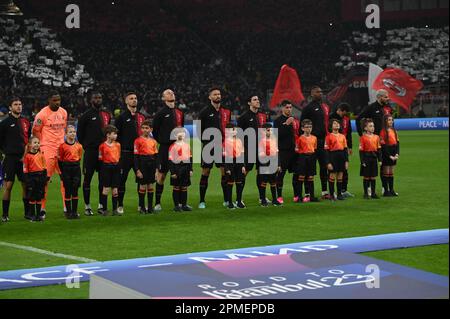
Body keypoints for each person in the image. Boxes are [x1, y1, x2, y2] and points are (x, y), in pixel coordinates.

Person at [32, 91, 68, 218]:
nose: (57, 102)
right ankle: (42, 208)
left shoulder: (63, 112)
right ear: (49, 100)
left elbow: (64, 128)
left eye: (59, 100)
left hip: (62, 149)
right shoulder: (42, 114)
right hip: (48, 149)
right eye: (55, 100)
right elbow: (36, 131)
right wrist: (43, 144)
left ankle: (66, 207)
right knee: (45, 179)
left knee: (66, 178)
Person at [77, 91, 112, 216]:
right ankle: (87, 206)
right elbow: (79, 135)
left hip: (104, 152)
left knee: (103, 180)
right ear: (91, 100)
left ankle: (101, 206)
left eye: (100, 97)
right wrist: (88, 145)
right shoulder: (85, 116)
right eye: (95, 97)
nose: (98, 99)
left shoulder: (106, 114)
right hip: (91, 152)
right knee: (87, 179)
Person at [198, 87, 231, 209]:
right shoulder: (204, 112)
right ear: (210, 97)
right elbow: (198, 130)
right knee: (206, 172)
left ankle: (226, 200)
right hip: (209, 146)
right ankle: (202, 201)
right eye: (215, 94)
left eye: (219, 94)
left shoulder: (226, 112)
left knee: (224, 172)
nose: (218, 96)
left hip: (222, 147)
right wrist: (207, 142)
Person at [152, 89, 184, 212]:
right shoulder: (160, 114)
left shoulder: (180, 113)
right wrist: (163, 141)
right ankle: (157, 203)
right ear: (163, 98)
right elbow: (155, 131)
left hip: (178, 148)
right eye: (168, 93)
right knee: (161, 175)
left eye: (172, 93)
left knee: (179, 175)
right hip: (165, 148)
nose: (171, 94)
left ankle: (179, 204)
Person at [115, 92, 147, 215]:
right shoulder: (122, 118)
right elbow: (116, 136)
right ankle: (120, 205)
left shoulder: (141, 117)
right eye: (131, 99)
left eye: (135, 98)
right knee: (122, 180)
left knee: (142, 180)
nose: (134, 100)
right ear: (126, 101)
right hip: (126, 153)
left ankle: (141, 205)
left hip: (140, 155)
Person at [0, 97, 31, 222]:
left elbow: (28, 140)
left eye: (20, 104)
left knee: (26, 185)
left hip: (23, 158)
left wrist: (25, 155)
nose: (18, 106)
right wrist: (5, 153)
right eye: (15, 104)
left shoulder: (26, 122)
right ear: (10, 107)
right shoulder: (5, 123)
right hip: (10, 159)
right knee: (8, 185)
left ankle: (27, 213)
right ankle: (5, 214)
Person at [300, 86, 331, 199]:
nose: (320, 93)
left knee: (324, 167)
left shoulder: (324, 107)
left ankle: (324, 192)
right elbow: (302, 124)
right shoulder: (308, 108)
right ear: (312, 94)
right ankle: (308, 193)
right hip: (311, 142)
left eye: (321, 91)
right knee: (310, 168)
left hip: (322, 142)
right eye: (318, 92)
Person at [237, 95, 268, 204]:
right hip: (248, 149)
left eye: (258, 100)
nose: (257, 101)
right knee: (244, 172)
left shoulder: (263, 116)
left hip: (261, 149)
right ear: (249, 103)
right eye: (254, 100)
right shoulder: (243, 117)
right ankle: (239, 199)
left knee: (261, 172)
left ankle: (262, 198)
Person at [273, 100, 300, 203]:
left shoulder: (295, 121)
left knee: (296, 173)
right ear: (282, 108)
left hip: (294, 151)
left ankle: (296, 195)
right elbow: (276, 136)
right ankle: (279, 196)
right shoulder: (278, 121)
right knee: (281, 174)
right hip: (283, 151)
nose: (289, 109)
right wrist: (286, 124)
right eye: (287, 107)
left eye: (290, 107)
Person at [58, 125, 83, 219]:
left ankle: (74, 212)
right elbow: (60, 160)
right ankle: (68, 213)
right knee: (68, 191)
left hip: (76, 169)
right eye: (70, 132)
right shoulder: (62, 146)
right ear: (66, 134)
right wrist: (62, 172)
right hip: (66, 169)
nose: (73, 134)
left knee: (75, 190)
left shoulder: (79, 146)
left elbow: (79, 157)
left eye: (74, 132)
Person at [134, 120, 158, 214]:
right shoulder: (137, 140)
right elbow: (135, 156)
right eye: (143, 128)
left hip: (151, 164)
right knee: (142, 185)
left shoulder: (153, 141)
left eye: (147, 128)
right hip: (142, 164)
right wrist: (137, 170)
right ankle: (142, 207)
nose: (144, 130)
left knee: (151, 185)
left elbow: (156, 156)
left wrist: (156, 169)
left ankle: (150, 207)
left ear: (151, 129)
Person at [329, 102, 353, 198]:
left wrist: (350, 147)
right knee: (333, 171)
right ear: (340, 110)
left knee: (344, 170)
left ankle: (343, 190)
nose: (344, 115)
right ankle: (332, 192)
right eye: (344, 112)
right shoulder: (331, 118)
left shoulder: (346, 119)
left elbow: (349, 132)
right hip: (333, 149)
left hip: (343, 146)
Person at [168, 127, 193, 212]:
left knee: (184, 187)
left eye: (182, 133)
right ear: (175, 135)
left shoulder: (187, 145)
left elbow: (190, 159)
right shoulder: (172, 146)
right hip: (176, 168)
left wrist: (190, 170)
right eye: (179, 133)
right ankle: (176, 206)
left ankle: (184, 205)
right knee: (176, 187)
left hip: (185, 168)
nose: (181, 134)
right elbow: (170, 161)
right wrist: (172, 172)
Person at [98, 125, 121, 216]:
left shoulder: (118, 144)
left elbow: (118, 156)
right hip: (106, 167)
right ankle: (104, 209)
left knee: (115, 189)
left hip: (116, 167)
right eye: (114, 134)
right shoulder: (102, 146)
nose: (116, 136)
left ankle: (115, 209)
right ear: (108, 135)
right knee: (106, 188)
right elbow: (100, 158)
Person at [23, 137, 47, 222]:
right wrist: (28, 181)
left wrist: (44, 179)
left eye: (38, 142)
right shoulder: (27, 156)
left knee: (39, 197)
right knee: (32, 197)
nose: (37, 144)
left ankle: (38, 216)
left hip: (40, 177)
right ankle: (32, 215)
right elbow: (25, 170)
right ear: (30, 144)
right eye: (35, 142)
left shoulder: (41, 155)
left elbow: (44, 168)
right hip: (32, 178)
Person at [294, 120, 319, 202]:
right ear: (302, 128)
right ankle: (299, 197)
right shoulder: (300, 138)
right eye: (307, 127)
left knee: (311, 177)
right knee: (301, 177)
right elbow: (297, 149)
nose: (309, 129)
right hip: (303, 157)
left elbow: (315, 148)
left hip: (312, 157)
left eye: (310, 127)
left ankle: (312, 196)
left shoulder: (314, 138)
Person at [257, 123, 281, 207]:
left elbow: (277, 153)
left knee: (273, 182)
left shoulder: (274, 140)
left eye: (271, 130)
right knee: (264, 182)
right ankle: (263, 200)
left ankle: (274, 200)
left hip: (273, 163)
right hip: (265, 164)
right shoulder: (261, 142)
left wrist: (278, 164)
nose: (270, 132)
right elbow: (260, 154)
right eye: (268, 130)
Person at [223, 123, 246, 209]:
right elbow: (224, 156)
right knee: (230, 183)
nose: (235, 131)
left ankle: (239, 201)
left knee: (239, 183)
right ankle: (229, 202)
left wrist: (243, 166)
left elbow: (242, 154)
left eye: (235, 130)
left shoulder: (239, 141)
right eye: (234, 130)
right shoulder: (225, 142)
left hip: (239, 163)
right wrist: (227, 168)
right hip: (230, 163)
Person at [325, 119, 349, 201]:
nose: (337, 124)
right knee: (332, 175)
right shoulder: (328, 137)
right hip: (333, 156)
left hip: (341, 156)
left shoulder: (342, 136)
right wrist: (328, 162)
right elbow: (326, 151)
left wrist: (346, 161)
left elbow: (345, 149)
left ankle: (339, 194)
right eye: (334, 123)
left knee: (340, 176)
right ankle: (331, 195)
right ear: (331, 126)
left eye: (338, 123)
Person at [359, 118, 382, 199]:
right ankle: (365, 193)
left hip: (373, 159)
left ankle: (373, 193)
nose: (373, 128)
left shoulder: (376, 137)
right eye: (370, 126)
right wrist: (362, 161)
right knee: (366, 176)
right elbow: (361, 151)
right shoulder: (363, 138)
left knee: (373, 176)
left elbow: (379, 150)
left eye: (373, 126)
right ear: (365, 128)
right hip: (366, 159)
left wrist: (380, 160)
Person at [380, 115, 400, 197]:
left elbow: (397, 143)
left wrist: (397, 153)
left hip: (393, 151)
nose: (391, 121)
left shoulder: (394, 130)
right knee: (386, 172)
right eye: (389, 120)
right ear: (385, 121)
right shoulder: (383, 131)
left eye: (392, 120)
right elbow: (383, 146)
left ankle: (391, 190)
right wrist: (389, 156)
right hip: (386, 153)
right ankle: (386, 190)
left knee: (391, 172)